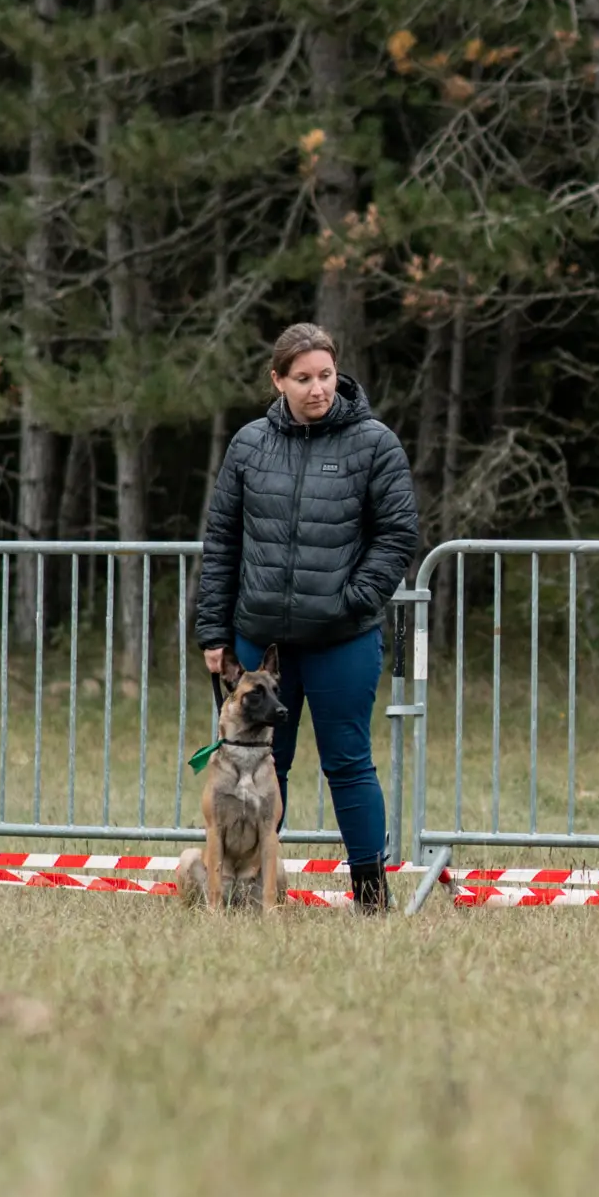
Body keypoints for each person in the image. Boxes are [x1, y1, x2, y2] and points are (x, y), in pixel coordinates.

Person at [195, 322, 420, 913]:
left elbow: (397, 536)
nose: (317, 388)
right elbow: (221, 542)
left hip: (342, 637)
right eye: (303, 379)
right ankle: (257, 894)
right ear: (278, 381)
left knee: (348, 761)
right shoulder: (248, 444)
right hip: (260, 640)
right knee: (266, 764)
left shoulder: (374, 443)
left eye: (325, 376)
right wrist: (213, 631)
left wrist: (354, 598)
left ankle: (371, 895)